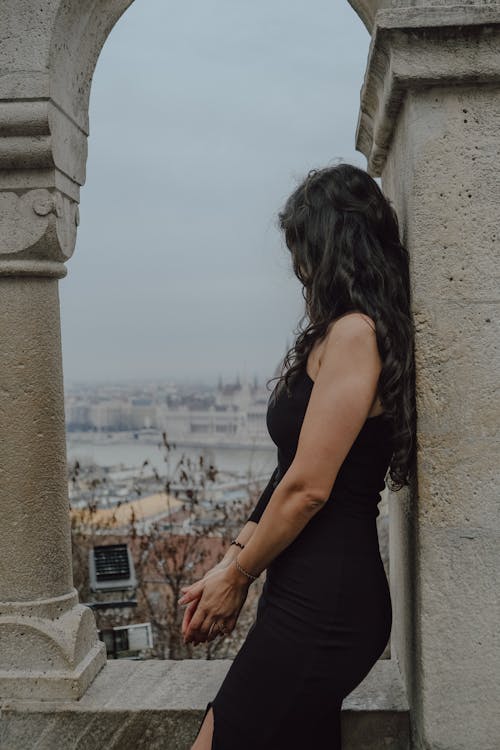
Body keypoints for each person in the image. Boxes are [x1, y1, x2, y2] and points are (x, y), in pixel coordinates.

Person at [179, 162, 416, 750]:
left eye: (303, 249)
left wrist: (238, 576)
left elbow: (310, 487)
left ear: (335, 245)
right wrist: (231, 558)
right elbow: (288, 471)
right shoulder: (342, 332)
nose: (298, 268)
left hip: (327, 602)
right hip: (306, 591)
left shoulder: (356, 335)